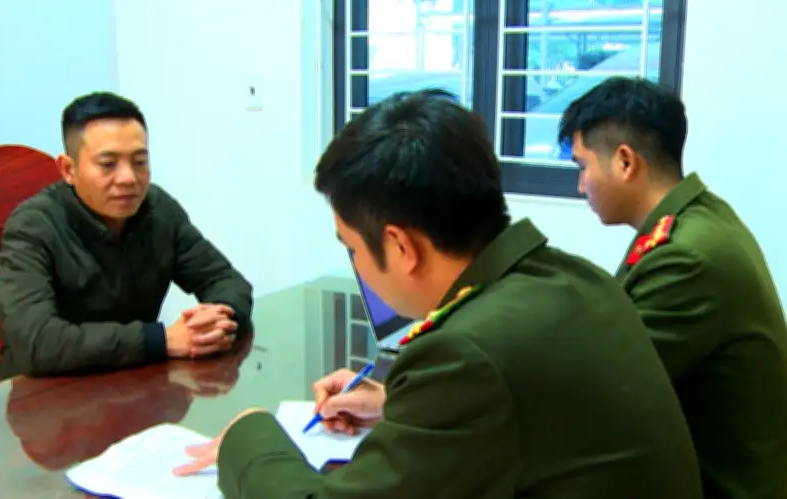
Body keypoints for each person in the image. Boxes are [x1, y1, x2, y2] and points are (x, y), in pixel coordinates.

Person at [173, 89, 702, 498]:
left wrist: (250, 435)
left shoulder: (465, 354)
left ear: (402, 247)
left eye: (352, 248)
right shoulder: (572, 278)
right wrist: (400, 405)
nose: (357, 265)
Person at [558, 76, 787, 499]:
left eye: (582, 166)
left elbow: (600, 389)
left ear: (624, 162)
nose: (580, 185)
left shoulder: (686, 258)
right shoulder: (699, 216)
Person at [0, 92, 253, 379]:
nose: (128, 178)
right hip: (45, 394)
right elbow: (36, 342)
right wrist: (160, 340)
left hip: (135, 383)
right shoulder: (32, 226)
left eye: (140, 161)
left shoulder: (158, 210)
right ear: (69, 169)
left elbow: (224, 279)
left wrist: (218, 319)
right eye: (108, 164)